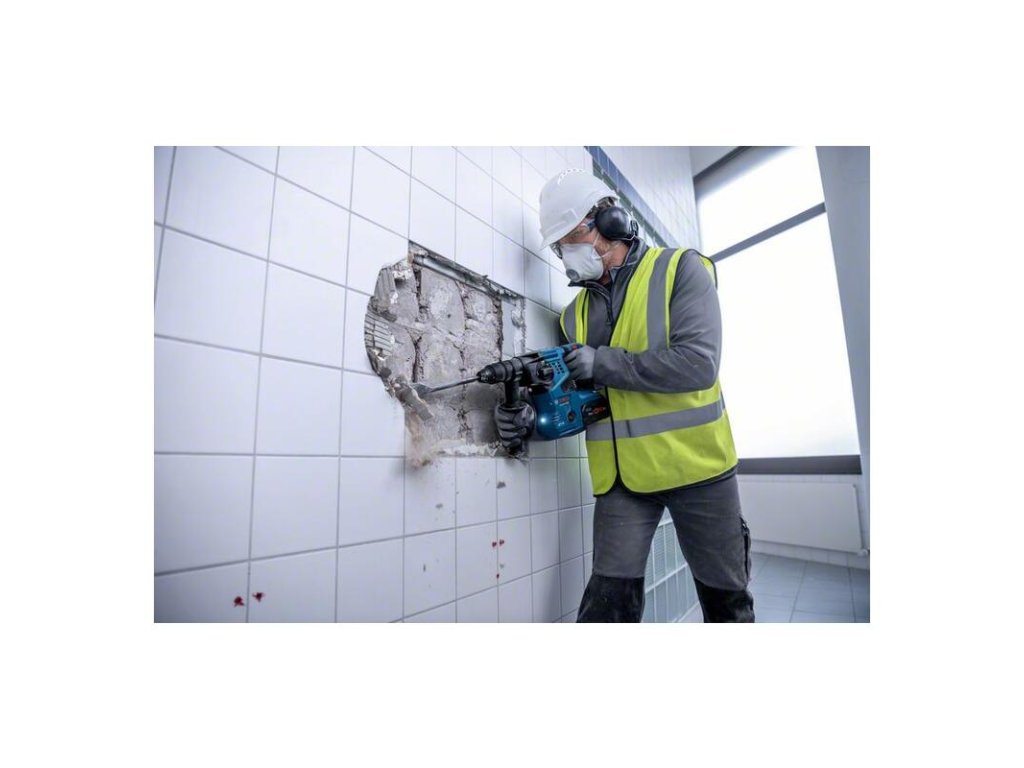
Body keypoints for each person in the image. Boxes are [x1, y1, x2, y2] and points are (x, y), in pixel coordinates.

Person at [494, 168, 755, 622]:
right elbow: (585, 403)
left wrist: (603, 363)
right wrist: (533, 422)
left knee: (726, 604)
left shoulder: (680, 270)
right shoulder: (573, 316)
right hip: (622, 482)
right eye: (559, 246)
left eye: (571, 237)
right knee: (606, 607)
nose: (566, 253)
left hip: (699, 469)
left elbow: (698, 365)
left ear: (609, 222)